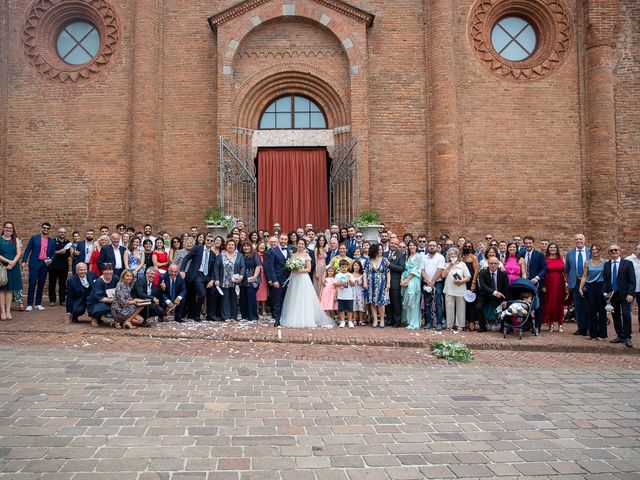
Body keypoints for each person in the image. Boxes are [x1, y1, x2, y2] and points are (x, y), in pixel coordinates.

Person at [281, 239, 334, 329]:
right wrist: (292, 269)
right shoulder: (293, 255)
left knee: (303, 297)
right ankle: (294, 317)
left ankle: (306, 318)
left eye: (302, 244)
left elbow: (308, 269)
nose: (300, 245)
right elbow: (290, 267)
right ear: (297, 245)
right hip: (294, 279)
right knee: (294, 297)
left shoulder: (306, 255)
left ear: (305, 245)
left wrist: (299, 270)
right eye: (299, 243)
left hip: (303, 278)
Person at [603, 244, 636, 348]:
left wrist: (631, 294)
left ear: (619, 251)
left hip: (625, 294)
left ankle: (627, 337)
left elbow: (632, 281)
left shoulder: (627, 263)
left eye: (615, 250)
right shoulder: (607, 265)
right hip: (613, 295)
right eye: (611, 250)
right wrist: (605, 292)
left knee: (626, 314)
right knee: (615, 315)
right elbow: (606, 279)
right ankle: (620, 335)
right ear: (609, 252)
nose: (614, 252)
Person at [180, 236, 216, 321]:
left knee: (213, 292)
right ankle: (197, 315)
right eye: (208, 240)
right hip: (197, 274)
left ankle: (210, 315)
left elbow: (213, 269)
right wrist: (182, 270)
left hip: (207, 276)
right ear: (205, 241)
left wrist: (212, 280)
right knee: (202, 294)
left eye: (211, 241)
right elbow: (186, 258)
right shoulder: (197, 248)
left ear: (213, 242)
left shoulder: (213, 254)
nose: (209, 242)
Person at [21, 222, 56, 311]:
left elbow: (53, 254)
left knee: (41, 283)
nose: (46, 230)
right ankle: (29, 304)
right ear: (41, 228)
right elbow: (28, 250)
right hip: (34, 263)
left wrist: (51, 259)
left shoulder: (52, 241)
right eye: (44, 228)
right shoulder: (34, 238)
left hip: (44, 264)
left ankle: (38, 303)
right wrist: (24, 261)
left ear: (49, 230)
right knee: (32, 283)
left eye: (48, 228)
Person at [579, 244, 607, 340]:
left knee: (602, 311)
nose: (595, 251)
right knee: (592, 311)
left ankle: (603, 335)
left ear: (600, 251)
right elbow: (584, 276)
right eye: (593, 250)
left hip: (601, 287)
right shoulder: (587, 262)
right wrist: (580, 288)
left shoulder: (605, 262)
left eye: (597, 249)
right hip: (590, 287)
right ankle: (593, 334)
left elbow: (607, 277)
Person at [213, 239, 245, 322]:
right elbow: (216, 267)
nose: (231, 246)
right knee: (225, 299)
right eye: (229, 244)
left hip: (235, 281)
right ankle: (226, 316)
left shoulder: (239, 255)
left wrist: (241, 276)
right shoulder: (221, 255)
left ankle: (233, 316)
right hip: (224, 280)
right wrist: (216, 279)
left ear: (235, 247)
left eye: (232, 245)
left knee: (234, 299)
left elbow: (242, 266)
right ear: (226, 246)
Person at [565, 234, 590, 336]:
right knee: (578, 306)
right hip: (575, 282)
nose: (578, 241)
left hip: (588, 281)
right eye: (576, 239)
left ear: (584, 240)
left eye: (580, 239)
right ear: (574, 241)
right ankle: (581, 328)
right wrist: (569, 282)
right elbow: (567, 269)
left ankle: (589, 327)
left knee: (588, 305)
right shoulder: (570, 253)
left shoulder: (590, 252)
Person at [475, 257, 509, 332]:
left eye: (495, 263)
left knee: (505, 307)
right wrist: (494, 292)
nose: (493, 265)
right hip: (486, 295)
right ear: (488, 264)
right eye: (491, 263)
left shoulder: (503, 273)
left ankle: (503, 327)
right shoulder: (483, 272)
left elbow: (507, 288)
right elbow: (483, 286)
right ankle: (482, 327)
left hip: (500, 295)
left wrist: (505, 300)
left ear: (498, 264)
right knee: (478, 307)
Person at [523, 236, 548, 335]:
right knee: (524, 304)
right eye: (526, 243)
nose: (528, 245)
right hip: (524, 284)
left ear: (533, 243)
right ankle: (527, 325)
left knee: (537, 305)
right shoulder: (521, 254)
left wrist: (537, 277)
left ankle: (537, 326)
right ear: (524, 244)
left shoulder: (539, 255)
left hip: (536, 283)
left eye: (530, 243)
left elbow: (544, 268)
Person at [264, 234, 290, 327]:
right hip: (278, 279)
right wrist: (274, 280)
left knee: (285, 299)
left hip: (288, 280)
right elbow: (270, 267)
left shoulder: (289, 251)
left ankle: (284, 318)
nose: (283, 240)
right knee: (277, 300)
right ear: (279, 240)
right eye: (282, 239)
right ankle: (277, 319)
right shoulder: (273, 251)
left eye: (285, 239)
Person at [442, 247, 471, 330]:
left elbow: (468, 277)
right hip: (449, 289)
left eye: (454, 254)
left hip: (460, 288)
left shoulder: (462, 264)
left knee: (461, 307)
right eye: (451, 254)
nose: (453, 255)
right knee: (449, 306)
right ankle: (449, 325)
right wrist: (450, 265)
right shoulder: (447, 264)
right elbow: (443, 275)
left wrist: (461, 281)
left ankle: (460, 325)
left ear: (457, 255)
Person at [364, 243, 390, 328]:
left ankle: (382, 319)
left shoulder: (384, 260)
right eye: (379, 250)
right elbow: (365, 272)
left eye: (381, 249)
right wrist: (365, 282)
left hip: (381, 283)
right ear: (375, 250)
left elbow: (388, 272)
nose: (381, 251)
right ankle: (375, 319)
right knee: (372, 302)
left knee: (381, 302)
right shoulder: (369, 260)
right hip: (371, 283)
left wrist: (388, 283)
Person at [542, 243, 567, 333]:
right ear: (548, 249)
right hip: (548, 284)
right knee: (550, 303)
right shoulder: (545, 259)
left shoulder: (562, 258)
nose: (553, 249)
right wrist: (542, 285)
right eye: (551, 247)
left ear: (557, 249)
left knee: (559, 303)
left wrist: (567, 284)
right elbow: (542, 273)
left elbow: (565, 272)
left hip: (560, 283)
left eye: (554, 248)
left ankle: (560, 324)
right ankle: (551, 323)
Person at [421, 239, 446, 330]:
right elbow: (422, 270)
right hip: (426, 283)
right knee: (427, 303)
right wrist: (428, 281)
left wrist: (433, 281)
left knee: (438, 303)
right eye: (430, 245)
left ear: (436, 247)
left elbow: (440, 270)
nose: (432, 247)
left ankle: (439, 323)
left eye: (434, 245)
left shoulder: (440, 257)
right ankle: (428, 322)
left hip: (438, 283)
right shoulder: (424, 257)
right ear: (428, 247)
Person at [0, 222, 22, 320]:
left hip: (13, 267)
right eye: (7, 227)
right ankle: (2, 312)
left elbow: (19, 253)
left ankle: (8, 311)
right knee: (1, 289)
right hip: (2, 267)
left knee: (9, 290)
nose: (8, 229)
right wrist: (8, 262)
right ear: (3, 228)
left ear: (13, 230)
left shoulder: (15, 240)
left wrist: (12, 263)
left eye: (10, 228)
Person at [87, 263, 118, 327]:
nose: (108, 272)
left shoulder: (115, 278)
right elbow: (98, 297)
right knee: (102, 308)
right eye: (106, 270)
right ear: (102, 271)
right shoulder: (99, 281)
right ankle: (94, 317)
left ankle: (118, 320)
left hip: (111, 300)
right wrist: (112, 300)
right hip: (97, 301)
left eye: (110, 270)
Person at [400, 240, 422, 330]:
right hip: (406, 279)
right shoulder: (408, 256)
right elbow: (405, 269)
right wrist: (402, 279)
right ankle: (408, 320)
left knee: (413, 300)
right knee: (407, 300)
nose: (412, 247)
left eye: (413, 245)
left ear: (416, 246)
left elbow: (416, 270)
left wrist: (407, 280)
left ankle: (414, 323)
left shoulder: (418, 256)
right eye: (410, 245)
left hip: (414, 280)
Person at [239, 242, 262, 322]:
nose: (246, 248)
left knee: (251, 297)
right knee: (243, 298)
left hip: (253, 279)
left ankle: (253, 316)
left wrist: (255, 276)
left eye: (248, 246)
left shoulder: (255, 255)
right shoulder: (240, 255)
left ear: (250, 247)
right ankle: (245, 316)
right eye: (244, 246)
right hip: (242, 280)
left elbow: (258, 266)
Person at [385, 238, 406, 327]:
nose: (393, 245)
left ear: (398, 246)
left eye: (395, 244)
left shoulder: (401, 255)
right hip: (385, 282)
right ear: (389, 244)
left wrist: (390, 265)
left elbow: (402, 268)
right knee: (387, 302)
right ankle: (389, 320)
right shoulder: (384, 254)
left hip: (395, 282)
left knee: (396, 302)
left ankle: (397, 321)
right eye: (392, 243)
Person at [461, 241, 479, 331]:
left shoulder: (473, 257)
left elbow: (476, 270)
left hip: (471, 281)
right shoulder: (462, 257)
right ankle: (466, 320)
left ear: (472, 248)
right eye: (466, 246)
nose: (467, 248)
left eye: (469, 246)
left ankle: (472, 321)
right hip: (463, 282)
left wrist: (474, 283)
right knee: (464, 302)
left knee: (471, 302)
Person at [624, 243, 640, 332]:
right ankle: (627, 328)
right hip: (630, 289)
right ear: (635, 250)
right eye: (639, 249)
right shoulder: (628, 260)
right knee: (627, 310)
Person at [335, 259, 355, 328]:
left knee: (349, 309)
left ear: (348, 267)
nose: (344, 268)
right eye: (342, 267)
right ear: (340, 267)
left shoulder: (350, 275)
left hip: (349, 296)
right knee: (341, 309)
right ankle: (342, 321)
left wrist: (349, 279)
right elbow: (335, 284)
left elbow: (353, 284)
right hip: (341, 296)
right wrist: (341, 283)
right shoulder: (338, 275)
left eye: (345, 267)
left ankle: (350, 321)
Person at [255, 240, 269, 317]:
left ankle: (263, 309)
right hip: (257, 275)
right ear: (258, 246)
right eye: (260, 245)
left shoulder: (267, 255)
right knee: (257, 292)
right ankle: (257, 308)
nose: (262, 247)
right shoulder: (255, 254)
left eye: (263, 246)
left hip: (265, 276)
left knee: (264, 292)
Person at [351, 260, 366, 325]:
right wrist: (353, 283)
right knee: (354, 306)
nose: (356, 267)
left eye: (358, 265)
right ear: (353, 266)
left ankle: (360, 320)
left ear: (360, 267)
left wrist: (361, 283)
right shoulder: (350, 275)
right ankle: (354, 320)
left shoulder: (362, 275)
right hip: (353, 292)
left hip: (360, 292)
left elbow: (364, 284)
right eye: (355, 265)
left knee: (360, 306)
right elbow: (349, 284)